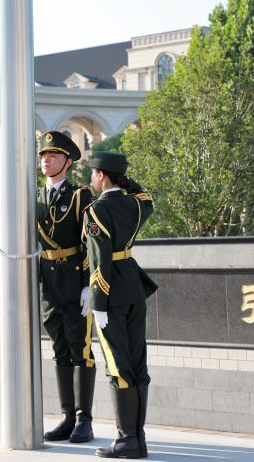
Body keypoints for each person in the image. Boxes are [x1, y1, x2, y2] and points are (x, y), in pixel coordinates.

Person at [84, 152, 157, 459]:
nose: (90, 178)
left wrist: (97, 302)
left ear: (101, 176)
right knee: (138, 365)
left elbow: (100, 259)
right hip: (133, 287)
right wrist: (126, 181)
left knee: (118, 366)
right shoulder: (134, 205)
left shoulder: (96, 210)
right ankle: (137, 438)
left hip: (111, 294)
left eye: (93, 173)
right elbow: (146, 198)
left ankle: (126, 439)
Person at [36, 131, 96, 443]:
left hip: (74, 282)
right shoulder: (33, 197)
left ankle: (84, 420)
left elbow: (89, 244)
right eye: (44, 155)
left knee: (81, 350)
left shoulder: (79, 196)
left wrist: (89, 286)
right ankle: (67, 416)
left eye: (54, 155)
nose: (46, 160)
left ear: (68, 161)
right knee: (59, 351)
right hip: (49, 284)